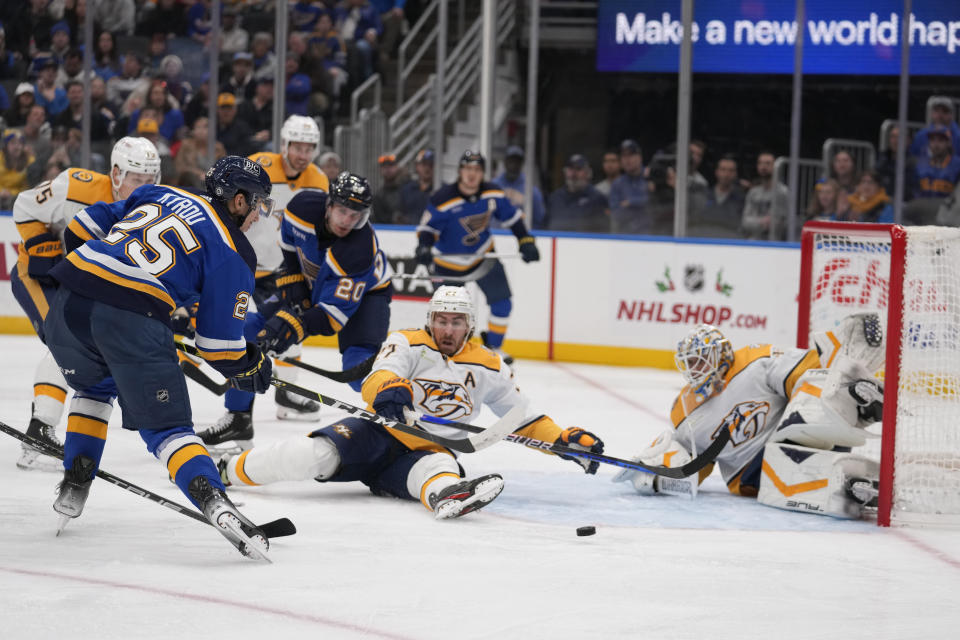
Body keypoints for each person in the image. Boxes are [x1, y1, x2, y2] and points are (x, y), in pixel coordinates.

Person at [42, 155, 276, 559]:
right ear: (238, 201)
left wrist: (136, 295)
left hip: (68, 300)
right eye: (256, 204)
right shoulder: (234, 252)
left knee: (94, 388)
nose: (257, 215)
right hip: (132, 317)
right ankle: (214, 501)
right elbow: (219, 349)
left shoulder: (158, 192)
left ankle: (75, 480)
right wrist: (251, 366)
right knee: (169, 429)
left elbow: (79, 229)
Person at [218, 286, 605, 519]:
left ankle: (447, 498)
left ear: (469, 325)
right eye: (441, 320)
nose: (447, 329)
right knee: (313, 454)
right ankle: (225, 470)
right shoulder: (407, 341)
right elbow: (378, 377)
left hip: (428, 450)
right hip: (377, 433)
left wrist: (562, 439)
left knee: (439, 466)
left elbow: (522, 418)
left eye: (456, 322)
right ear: (430, 319)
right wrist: (391, 392)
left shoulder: (489, 364)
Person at [615, 317, 886, 519]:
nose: (694, 369)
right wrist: (657, 476)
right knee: (782, 462)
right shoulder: (683, 409)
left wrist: (834, 369)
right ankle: (850, 488)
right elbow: (692, 468)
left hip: (803, 434)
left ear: (720, 353)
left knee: (810, 393)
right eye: (689, 363)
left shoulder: (756, 361)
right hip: (751, 475)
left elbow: (805, 372)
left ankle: (855, 400)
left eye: (700, 360)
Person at [198, 171, 392, 451]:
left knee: (356, 364)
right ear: (329, 204)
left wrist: (291, 324)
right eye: (342, 212)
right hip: (314, 281)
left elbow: (329, 318)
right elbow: (289, 250)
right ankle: (238, 420)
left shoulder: (359, 249)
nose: (348, 222)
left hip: (367, 296)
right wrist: (294, 290)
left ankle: (398, 409)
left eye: (355, 215)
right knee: (248, 329)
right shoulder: (302, 208)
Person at [11, 137, 162, 472]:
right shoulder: (75, 186)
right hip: (41, 277)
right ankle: (40, 427)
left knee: (75, 343)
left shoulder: (152, 212)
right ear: (117, 174)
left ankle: (40, 429)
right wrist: (42, 249)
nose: (145, 187)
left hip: (77, 287)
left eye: (152, 179)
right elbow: (23, 205)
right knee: (66, 342)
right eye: (138, 179)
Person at [200, 115, 329, 435]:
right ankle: (239, 411)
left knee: (289, 331)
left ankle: (285, 392)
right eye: (297, 146)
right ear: (284, 144)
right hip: (239, 264)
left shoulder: (319, 180)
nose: (302, 153)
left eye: (309, 147)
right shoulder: (258, 165)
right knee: (244, 334)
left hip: (278, 270)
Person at [415, 150, 540, 364]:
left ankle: (494, 346)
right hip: (448, 263)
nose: (472, 174)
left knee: (502, 303)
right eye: (467, 169)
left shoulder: (493, 193)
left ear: (483, 173)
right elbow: (428, 229)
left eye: (477, 169)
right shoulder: (443, 199)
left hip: (483, 256)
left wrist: (525, 240)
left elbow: (513, 219)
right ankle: (444, 350)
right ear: (460, 172)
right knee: (447, 313)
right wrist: (424, 247)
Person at [546, 153, 608, 232]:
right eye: (570, 169)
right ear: (565, 172)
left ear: (588, 173)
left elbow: (603, 232)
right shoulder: (555, 198)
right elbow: (545, 227)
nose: (574, 173)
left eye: (578, 169)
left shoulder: (597, 199)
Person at [691, 154, 745, 238]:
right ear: (717, 172)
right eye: (723, 169)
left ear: (735, 174)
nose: (726, 174)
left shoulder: (741, 198)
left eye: (731, 170)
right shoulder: (705, 194)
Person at [492, 145, 545, 229]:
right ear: (505, 162)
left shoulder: (531, 191)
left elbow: (540, 220)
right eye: (511, 161)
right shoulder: (493, 186)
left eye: (517, 161)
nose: (513, 165)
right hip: (496, 236)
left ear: (521, 163)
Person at [741, 151, 789, 241]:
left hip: (775, 244)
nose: (763, 166)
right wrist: (761, 222)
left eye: (767, 163)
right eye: (760, 163)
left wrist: (755, 223)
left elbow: (778, 224)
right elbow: (745, 222)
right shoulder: (753, 192)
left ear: (775, 166)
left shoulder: (783, 192)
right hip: (752, 242)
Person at [609, 139, 648, 234]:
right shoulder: (617, 184)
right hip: (626, 238)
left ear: (639, 157)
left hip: (653, 236)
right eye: (624, 156)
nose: (627, 159)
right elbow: (616, 214)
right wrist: (641, 203)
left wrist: (630, 202)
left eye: (631, 155)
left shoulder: (650, 176)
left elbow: (655, 207)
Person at [911, 125, 960, 201]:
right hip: (925, 209)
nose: (936, 144)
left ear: (948, 142)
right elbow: (915, 194)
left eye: (940, 140)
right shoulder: (920, 166)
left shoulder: (957, 166)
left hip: (948, 210)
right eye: (932, 140)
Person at [397, 148, 434, 225]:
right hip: (409, 233)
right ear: (417, 166)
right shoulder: (406, 190)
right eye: (424, 164)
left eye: (431, 165)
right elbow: (400, 214)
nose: (427, 168)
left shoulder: (442, 190)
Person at [371, 153, 406, 223]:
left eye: (391, 166)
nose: (388, 169)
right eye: (384, 167)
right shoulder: (378, 196)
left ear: (397, 167)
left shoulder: (408, 191)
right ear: (380, 170)